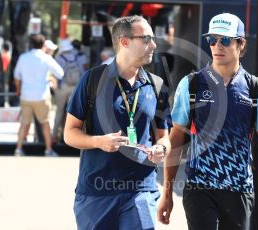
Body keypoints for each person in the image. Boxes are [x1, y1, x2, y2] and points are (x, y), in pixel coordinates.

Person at [157, 13, 258, 229]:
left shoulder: (256, 88)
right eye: (212, 40)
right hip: (198, 187)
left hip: (239, 188)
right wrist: (167, 192)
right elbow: (175, 138)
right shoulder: (191, 84)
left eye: (225, 40)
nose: (217, 46)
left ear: (241, 44)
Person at [64, 15, 171, 229]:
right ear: (124, 42)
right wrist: (99, 142)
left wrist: (161, 148)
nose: (154, 44)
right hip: (97, 192)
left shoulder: (156, 85)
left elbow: (164, 136)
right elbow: (70, 133)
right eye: (146, 38)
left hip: (141, 189)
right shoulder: (93, 80)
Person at [13, 34, 64, 156]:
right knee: (45, 123)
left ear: (31, 44)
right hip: (42, 96)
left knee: (24, 123)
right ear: (43, 45)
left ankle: (18, 149)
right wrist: (50, 78)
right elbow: (60, 73)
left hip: (25, 95)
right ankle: (48, 150)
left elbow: (16, 76)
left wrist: (19, 90)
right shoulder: (46, 58)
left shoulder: (23, 57)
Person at [52, 39, 87, 143]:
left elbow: (56, 73)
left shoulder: (59, 57)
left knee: (59, 111)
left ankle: (54, 135)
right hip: (75, 87)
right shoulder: (79, 55)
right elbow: (85, 70)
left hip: (62, 87)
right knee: (72, 113)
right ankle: (71, 137)